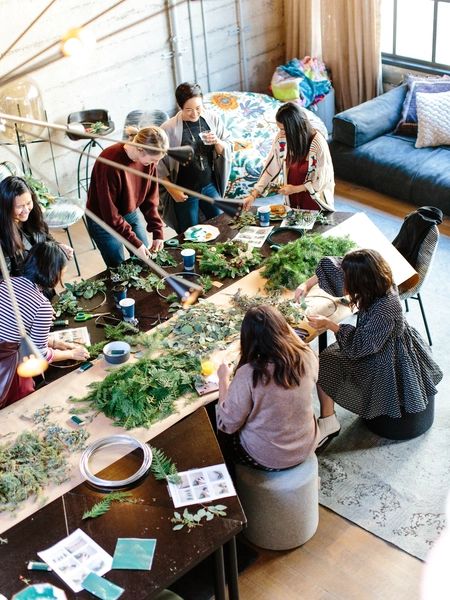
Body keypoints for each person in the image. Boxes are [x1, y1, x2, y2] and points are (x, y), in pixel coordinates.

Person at [295, 249, 443, 447]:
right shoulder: (376, 275)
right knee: (328, 357)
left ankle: (328, 421)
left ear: (361, 282)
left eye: (348, 280)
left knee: (324, 364)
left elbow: (360, 346)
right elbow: (336, 266)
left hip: (385, 354)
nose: (344, 284)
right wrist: (307, 284)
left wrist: (330, 325)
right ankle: (329, 419)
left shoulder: (386, 308)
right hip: (375, 340)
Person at [216, 305, 319, 471]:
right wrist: (275, 321)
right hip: (306, 445)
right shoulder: (306, 356)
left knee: (223, 434)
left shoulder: (248, 374)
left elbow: (227, 424)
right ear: (283, 329)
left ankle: (233, 485)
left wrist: (223, 379)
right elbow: (293, 339)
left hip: (268, 458)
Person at [0, 241, 90, 406]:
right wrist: (72, 353)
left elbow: (15, 328)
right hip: (7, 365)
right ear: (54, 272)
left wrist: (55, 342)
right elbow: (40, 355)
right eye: (63, 270)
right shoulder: (42, 305)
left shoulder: (7, 283)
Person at [86, 125, 169, 268]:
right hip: (103, 221)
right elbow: (111, 215)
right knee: (118, 268)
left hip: (129, 212)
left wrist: (157, 231)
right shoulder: (109, 162)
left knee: (145, 260)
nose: (156, 164)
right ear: (140, 149)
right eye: (153, 160)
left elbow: (150, 199)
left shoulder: (148, 162)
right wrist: (136, 244)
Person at [158, 82, 233, 233]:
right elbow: (157, 165)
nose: (194, 114)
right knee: (191, 233)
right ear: (180, 107)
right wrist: (172, 190)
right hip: (184, 190)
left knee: (222, 224)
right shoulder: (168, 129)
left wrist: (217, 142)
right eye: (188, 110)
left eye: (198, 108)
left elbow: (228, 144)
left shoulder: (211, 118)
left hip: (208, 184)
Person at [243, 102, 334, 212]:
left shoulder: (318, 144)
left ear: (295, 128)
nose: (280, 133)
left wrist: (295, 189)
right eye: (279, 128)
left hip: (315, 202)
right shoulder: (282, 139)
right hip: (292, 201)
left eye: (283, 129)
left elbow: (321, 182)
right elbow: (270, 168)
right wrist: (253, 195)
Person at [0, 175, 73, 277]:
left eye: (28, 203)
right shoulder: (3, 236)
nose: (26, 210)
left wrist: (57, 248)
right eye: (19, 207)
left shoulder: (33, 216)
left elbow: (46, 238)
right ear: (6, 207)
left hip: (42, 281)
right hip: (23, 289)